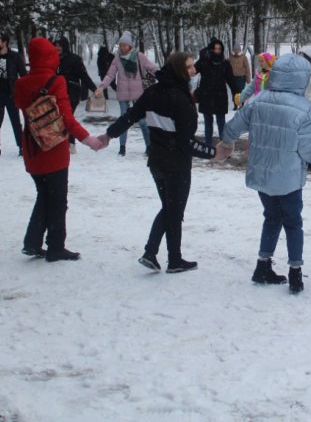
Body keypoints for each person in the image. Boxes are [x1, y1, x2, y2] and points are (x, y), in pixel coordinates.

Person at [216, 53, 311, 294]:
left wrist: (226, 144)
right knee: (293, 222)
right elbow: (308, 148)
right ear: (302, 79)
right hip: (289, 177)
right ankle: (295, 274)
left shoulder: (258, 101)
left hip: (262, 174)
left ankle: (263, 266)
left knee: (271, 217)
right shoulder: (305, 109)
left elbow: (232, 127)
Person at [101, 52, 215, 273]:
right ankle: (162, 256)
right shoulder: (180, 99)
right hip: (176, 165)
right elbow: (185, 142)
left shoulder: (153, 92)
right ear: (180, 70)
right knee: (174, 210)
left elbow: (131, 115)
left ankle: (163, 257)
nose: (194, 71)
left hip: (157, 163)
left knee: (170, 209)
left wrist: (110, 134)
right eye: (190, 67)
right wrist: (212, 153)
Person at [15, 38, 103, 262]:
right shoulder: (56, 80)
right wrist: (87, 139)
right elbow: (66, 118)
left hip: (32, 147)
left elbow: (21, 106)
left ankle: (32, 242)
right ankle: (55, 246)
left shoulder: (22, 83)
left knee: (43, 194)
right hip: (53, 149)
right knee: (57, 199)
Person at [94, 31, 157, 156]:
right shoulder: (117, 58)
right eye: (120, 45)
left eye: (124, 45)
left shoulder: (139, 56)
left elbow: (153, 68)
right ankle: (122, 147)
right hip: (123, 93)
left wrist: (166, 76)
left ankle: (149, 146)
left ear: (130, 45)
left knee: (143, 122)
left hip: (138, 94)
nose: (122, 47)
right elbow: (110, 74)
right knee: (124, 119)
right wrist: (101, 87)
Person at [193, 38, 239, 146]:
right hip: (206, 96)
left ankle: (223, 147)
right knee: (208, 123)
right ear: (211, 49)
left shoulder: (225, 63)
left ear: (222, 50)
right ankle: (208, 146)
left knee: (221, 123)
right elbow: (192, 71)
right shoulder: (204, 61)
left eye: (219, 49)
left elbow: (231, 81)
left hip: (220, 97)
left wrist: (236, 95)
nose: (217, 51)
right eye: (215, 48)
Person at [55, 37, 97, 151]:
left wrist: (94, 88)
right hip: (56, 94)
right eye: (56, 45)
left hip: (71, 94)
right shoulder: (52, 59)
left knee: (67, 118)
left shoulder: (74, 59)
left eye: (60, 45)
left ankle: (70, 143)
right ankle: (62, 142)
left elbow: (84, 76)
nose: (57, 47)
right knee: (59, 119)